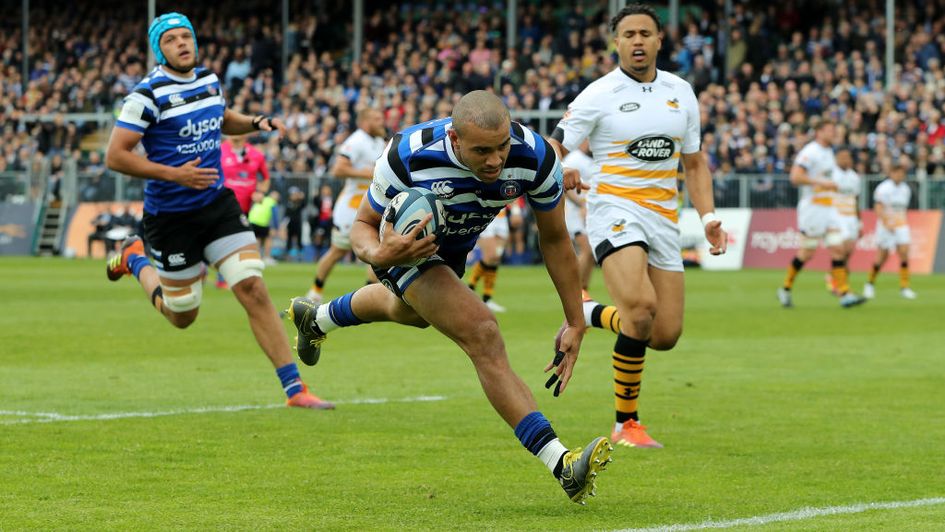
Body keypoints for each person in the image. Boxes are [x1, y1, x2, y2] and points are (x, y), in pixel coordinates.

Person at [286, 90, 612, 504]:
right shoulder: (407, 152)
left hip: (455, 249)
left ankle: (318, 319)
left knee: (408, 311)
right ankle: (562, 464)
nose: (495, 160)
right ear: (455, 139)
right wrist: (379, 253)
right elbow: (363, 225)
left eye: (501, 147)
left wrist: (575, 321)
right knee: (483, 333)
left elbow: (555, 240)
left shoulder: (536, 157)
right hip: (404, 246)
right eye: (482, 150)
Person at [103, 12, 332, 410]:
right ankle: (134, 257)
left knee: (253, 288)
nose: (182, 43)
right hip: (170, 218)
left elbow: (222, 118)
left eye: (186, 36)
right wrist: (174, 174)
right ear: (160, 49)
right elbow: (115, 155)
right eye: (171, 39)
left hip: (216, 205)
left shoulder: (209, 80)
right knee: (182, 316)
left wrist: (255, 121)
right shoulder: (146, 95)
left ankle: (295, 389)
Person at [548, 4, 727, 449]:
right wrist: (560, 169)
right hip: (614, 209)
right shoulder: (598, 93)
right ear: (616, 42)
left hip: (665, 217)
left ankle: (587, 313)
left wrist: (708, 218)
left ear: (660, 40)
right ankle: (626, 424)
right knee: (641, 308)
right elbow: (554, 143)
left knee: (664, 334)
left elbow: (695, 162)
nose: (638, 41)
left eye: (646, 33)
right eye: (628, 34)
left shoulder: (681, 91)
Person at [777, 120, 866, 309]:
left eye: (835, 129)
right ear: (819, 132)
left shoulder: (829, 152)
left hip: (829, 208)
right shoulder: (811, 152)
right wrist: (821, 182)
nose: (834, 133)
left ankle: (844, 293)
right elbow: (795, 177)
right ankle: (785, 288)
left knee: (838, 249)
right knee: (806, 253)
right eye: (830, 130)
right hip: (813, 209)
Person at [307, 108, 387, 304]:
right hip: (350, 208)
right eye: (377, 119)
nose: (382, 122)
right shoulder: (356, 141)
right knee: (338, 251)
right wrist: (368, 174)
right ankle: (315, 291)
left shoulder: (378, 142)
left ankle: (369, 296)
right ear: (365, 122)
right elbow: (338, 169)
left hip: (371, 204)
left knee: (376, 249)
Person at [217, 133, 270, 287]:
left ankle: (236, 276)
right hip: (222, 204)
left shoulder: (256, 154)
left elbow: (265, 178)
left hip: (245, 208)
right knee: (225, 239)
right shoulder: (218, 150)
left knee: (239, 242)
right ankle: (222, 277)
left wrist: (260, 192)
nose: (236, 133)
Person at [864, 162, 917, 299]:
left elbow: (902, 209)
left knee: (904, 253)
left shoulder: (906, 189)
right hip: (886, 226)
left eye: (901, 173)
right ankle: (870, 284)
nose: (899, 175)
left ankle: (905, 287)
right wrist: (887, 222)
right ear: (891, 173)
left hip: (901, 225)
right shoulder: (883, 188)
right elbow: (878, 207)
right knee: (882, 257)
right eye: (896, 172)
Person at [561, 140, 595, 294]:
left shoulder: (591, 160)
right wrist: (580, 204)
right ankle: (575, 291)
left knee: (591, 253)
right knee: (586, 249)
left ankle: (583, 290)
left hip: (589, 213)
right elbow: (563, 183)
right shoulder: (574, 159)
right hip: (575, 213)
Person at [826, 148, 861, 295]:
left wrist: (860, 222)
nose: (845, 160)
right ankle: (842, 287)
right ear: (836, 159)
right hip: (836, 217)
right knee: (841, 251)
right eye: (842, 157)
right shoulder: (831, 175)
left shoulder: (854, 177)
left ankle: (833, 279)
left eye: (847, 157)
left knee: (848, 252)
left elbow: (856, 199)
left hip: (851, 217)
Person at [466, 207, 510, 312]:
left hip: (502, 216)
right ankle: (469, 289)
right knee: (490, 256)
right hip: (489, 213)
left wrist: (516, 209)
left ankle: (487, 299)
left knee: (495, 259)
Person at [248, 189, 280, 264]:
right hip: (262, 223)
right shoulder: (272, 202)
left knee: (257, 239)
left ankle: (257, 257)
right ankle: (267, 257)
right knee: (268, 239)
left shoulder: (263, 199)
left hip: (252, 221)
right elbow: (275, 216)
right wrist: (276, 227)